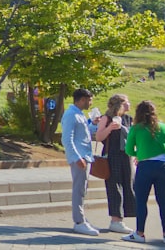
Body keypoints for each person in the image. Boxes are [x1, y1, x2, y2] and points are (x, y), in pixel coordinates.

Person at [122, 100, 165, 244]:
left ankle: (140, 233)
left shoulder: (136, 128)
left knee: (141, 201)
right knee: (163, 201)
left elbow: (128, 149)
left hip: (145, 167)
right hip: (163, 167)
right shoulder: (163, 127)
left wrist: (140, 154)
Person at [94, 94, 135, 234]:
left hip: (127, 156)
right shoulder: (107, 118)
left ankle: (121, 219)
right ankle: (115, 220)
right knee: (114, 186)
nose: (129, 104)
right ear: (120, 104)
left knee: (127, 185)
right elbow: (99, 137)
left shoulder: (129, 119)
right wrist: (110, 127)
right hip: (112, 156)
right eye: (127, 102)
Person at [61, 88, 99, 236]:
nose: (91, 103)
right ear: (82, 99)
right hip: (80, 158)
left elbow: (82, 134)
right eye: (89, 100)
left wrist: (93, 124)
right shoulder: (71, 114)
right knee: (79, 189)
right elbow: (67, 139)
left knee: (82, 189)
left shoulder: (78, 114)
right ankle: (79, 221)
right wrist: (77, 158)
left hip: (85, 157)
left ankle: (81, 218)